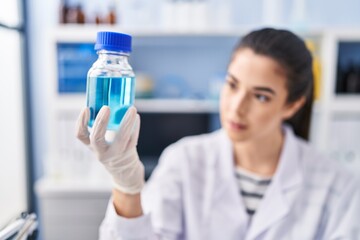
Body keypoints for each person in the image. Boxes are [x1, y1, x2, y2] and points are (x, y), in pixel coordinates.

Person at [76, 28, 360, 239]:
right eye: (232, 85)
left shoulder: (338, 187)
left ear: (292, 105)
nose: (236, 108)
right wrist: (126, 187)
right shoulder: (184, 160)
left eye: (260, 96)